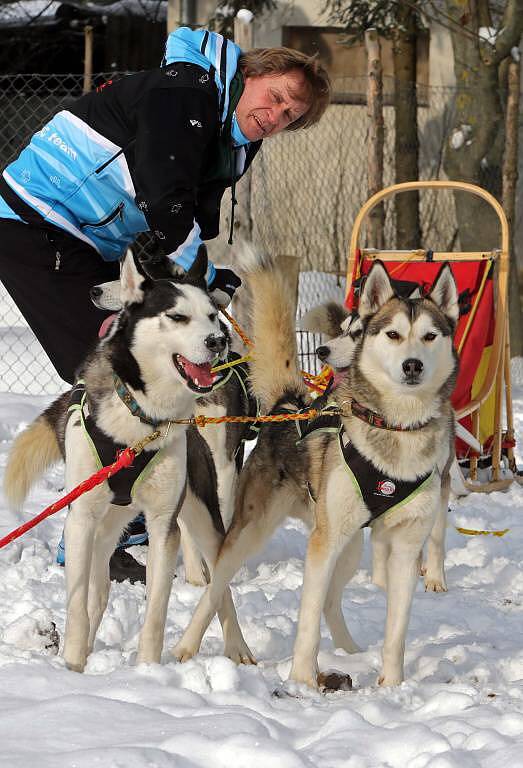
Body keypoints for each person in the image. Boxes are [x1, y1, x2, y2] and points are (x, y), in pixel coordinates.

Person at [0, 27, 331, 579]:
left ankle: (130, 509)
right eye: (276, 97)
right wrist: (198, 275)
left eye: (291, 116)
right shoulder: (185, 94)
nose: (277, 116)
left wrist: (201, 279)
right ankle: (92, 530)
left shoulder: (231, 138)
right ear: (250, 74)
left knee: (155, 364)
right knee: (111, 366)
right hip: (37, 221)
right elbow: (167, 203)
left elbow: (188, 223)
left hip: (93, 237)